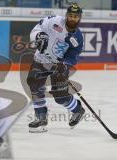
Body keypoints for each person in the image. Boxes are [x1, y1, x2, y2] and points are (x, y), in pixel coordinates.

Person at [27, 3, 85, 133]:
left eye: (76, 16)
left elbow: (73, 56)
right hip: (41, 59)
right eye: (70, 15)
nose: (72, 18)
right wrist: (39, 36)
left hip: (59, 65)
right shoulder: (54, 21)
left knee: (60, 97)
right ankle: (41, 117)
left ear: (79, 18)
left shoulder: (78, 38)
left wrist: (64, 64)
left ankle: (77, 110)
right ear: (66, 15)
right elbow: (36, 29)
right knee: (34, 85)